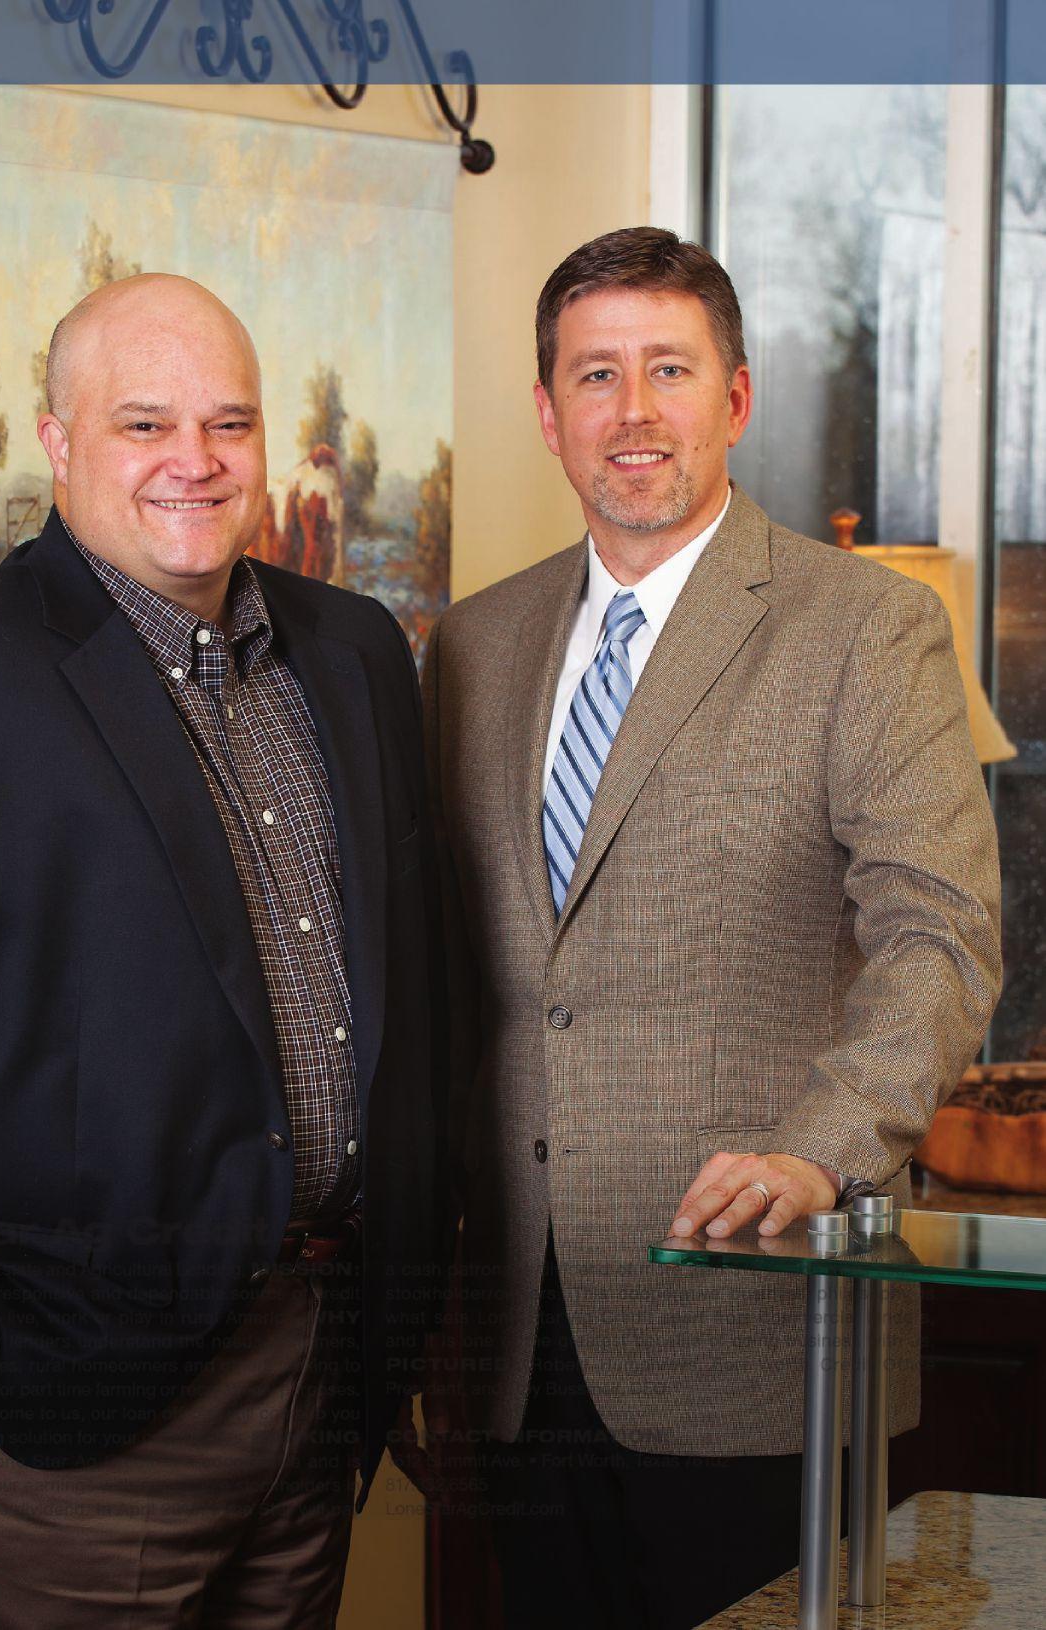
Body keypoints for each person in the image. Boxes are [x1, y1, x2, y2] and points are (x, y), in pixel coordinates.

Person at [0, 274, 445, 1630]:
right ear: (58, 443)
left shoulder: (356, 651)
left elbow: (412, 987)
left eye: (229, 422)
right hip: (59, 1409)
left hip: (319, 1366)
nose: (197, 459)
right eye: (144, 423)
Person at [421, 227, 1001, 1629]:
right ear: (548, 413)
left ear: (735, 398)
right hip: (516, 1338)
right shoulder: (471, 646)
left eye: (669, 370)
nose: (633, 411)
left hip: (758, 1318)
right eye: (595, 375)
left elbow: (940, 933)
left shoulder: (867, 629)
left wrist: (822, 1146)